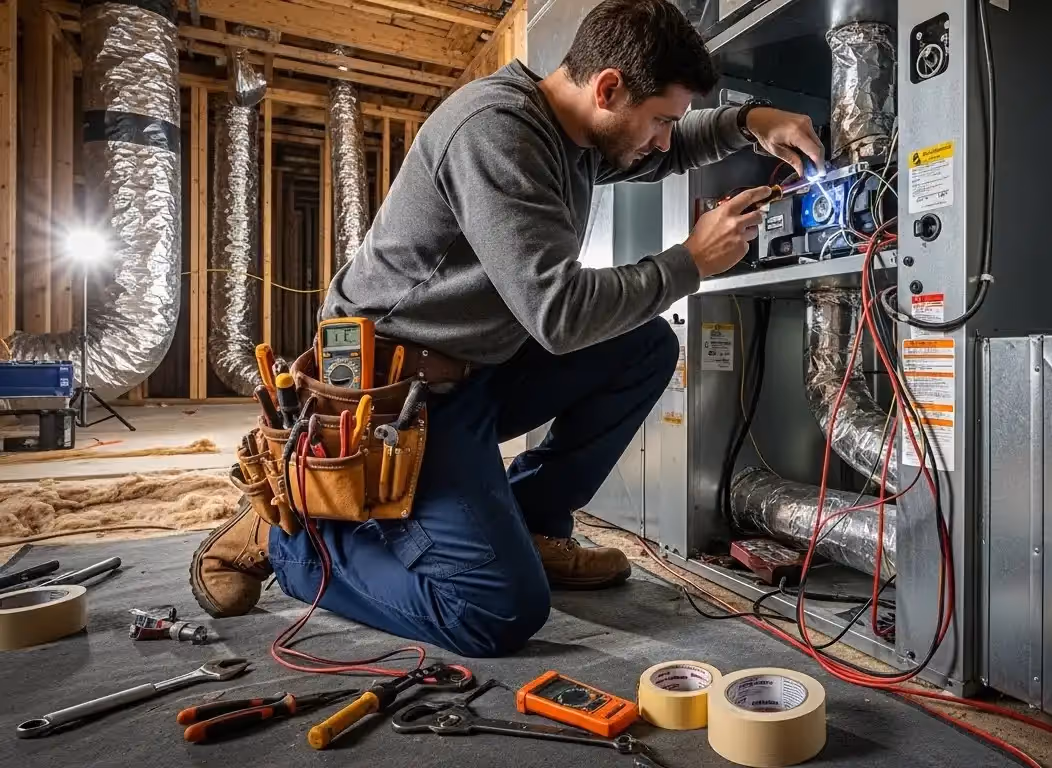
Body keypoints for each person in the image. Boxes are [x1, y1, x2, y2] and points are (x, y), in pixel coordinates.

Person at [190, 0, 823, 657]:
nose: (665, 137)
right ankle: (294, 544)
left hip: (473, 374)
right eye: (660, 118)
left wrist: (750, 122)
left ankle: (530, 525)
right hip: (392, 405)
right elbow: (560, 314)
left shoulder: (575, 133)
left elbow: (661, 152)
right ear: (607, 87)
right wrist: (689, 261)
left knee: (642, 347)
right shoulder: (496, 130)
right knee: (493, 611)